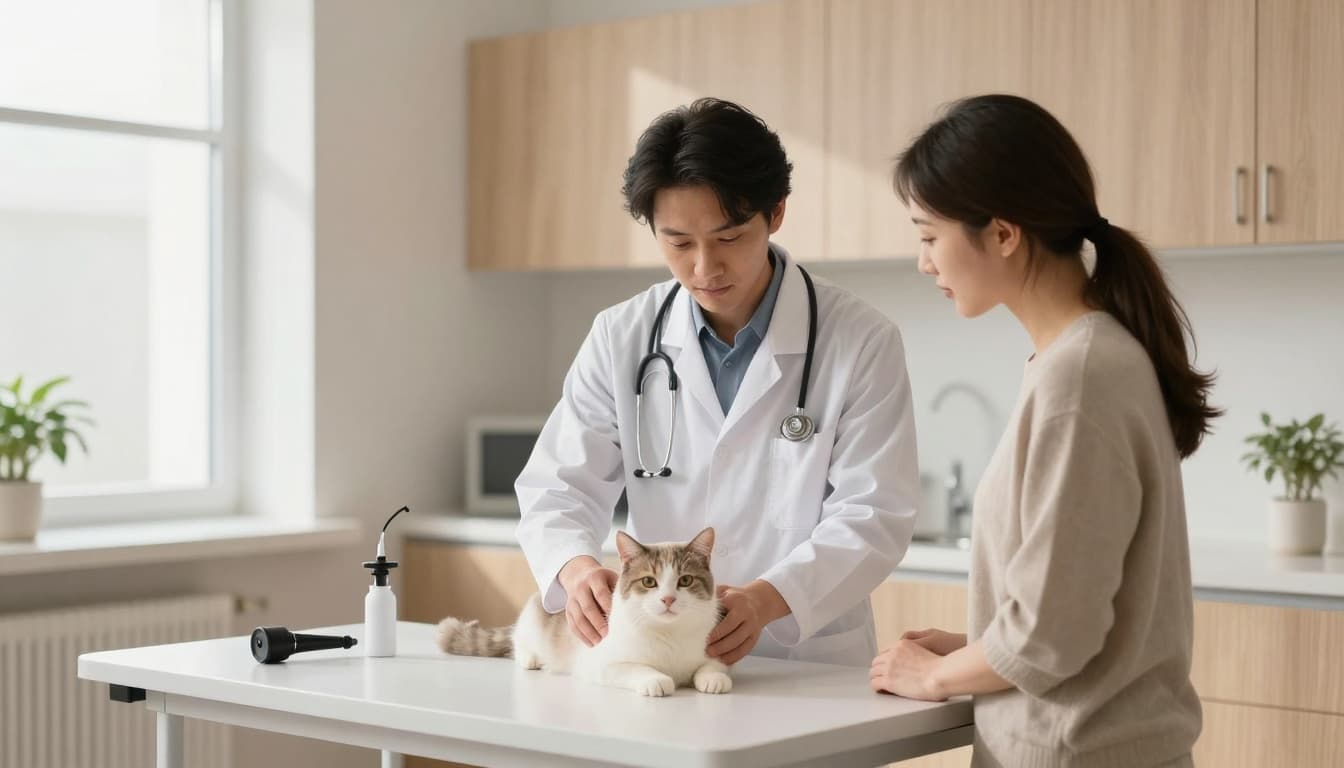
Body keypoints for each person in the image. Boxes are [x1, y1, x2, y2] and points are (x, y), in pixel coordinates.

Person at [869, 94, 1215, 767]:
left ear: (1002, 234)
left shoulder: (1079, 377)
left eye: (927, 235)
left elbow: (1053, 639)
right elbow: (1070, 605)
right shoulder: (1085, 358)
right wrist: (977, 645)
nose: (924, 262)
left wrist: (935, 676)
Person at [515, 97, 920, 667]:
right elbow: (557, 488)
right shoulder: (620, 336)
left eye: (728, 238)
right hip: (660, 660)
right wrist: (575, 568)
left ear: (775, 213)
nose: (705, 268)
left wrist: (770, 599)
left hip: (804, 663)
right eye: (678, 242)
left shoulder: (860, 339)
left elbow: (874, 513)